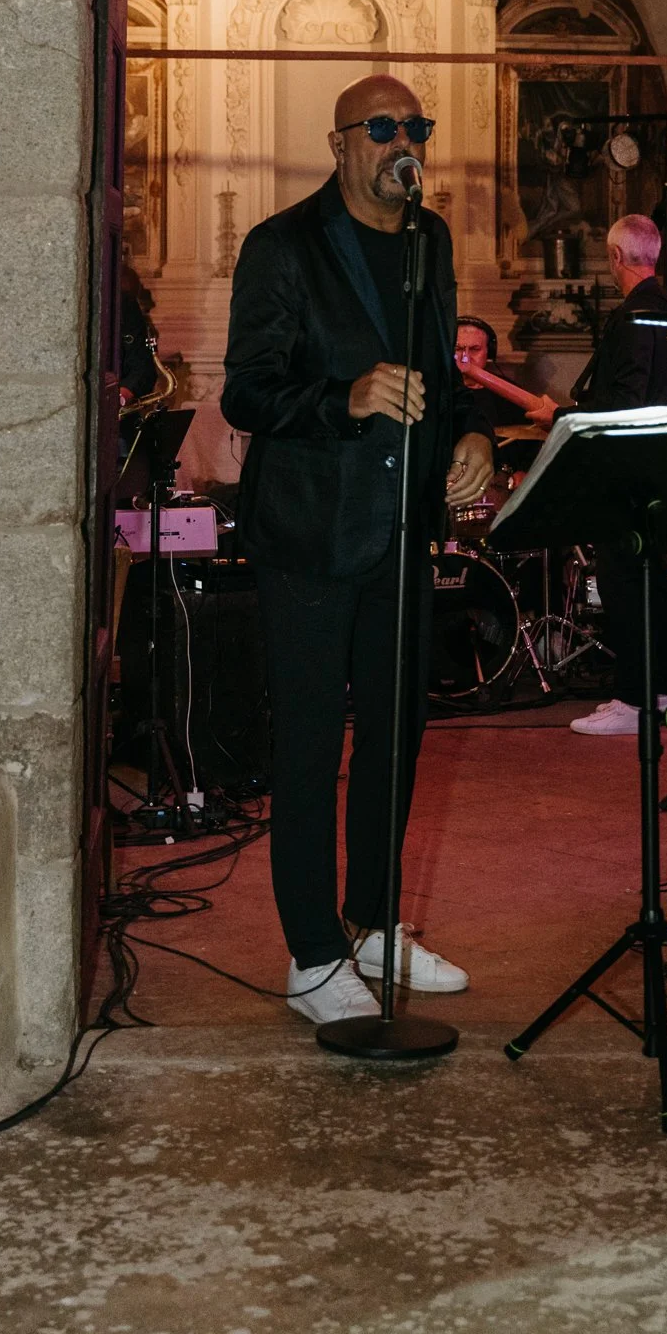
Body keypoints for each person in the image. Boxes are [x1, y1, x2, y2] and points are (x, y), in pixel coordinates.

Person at [221, 75, 496, 1029]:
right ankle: (312, 956)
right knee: (306, 748)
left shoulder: (430, 238)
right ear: (338, 144)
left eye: (415, 125)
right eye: (381, 128)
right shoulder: (282, 246)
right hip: (307, 531)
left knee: (394, 737)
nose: (401, 141)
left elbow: (441, 372)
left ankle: (375, 925)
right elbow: (246, 394)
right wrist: (344, 399)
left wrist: (474, 435)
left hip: (403, 528)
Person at [535, 215, 667, 738]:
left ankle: (633, 699)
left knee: (624, 583)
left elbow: (624, 401)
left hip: (625, 468)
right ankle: (663, 690)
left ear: (616, 258)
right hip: (662, 465)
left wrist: (561, 417)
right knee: (651, 586)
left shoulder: (634, 317)